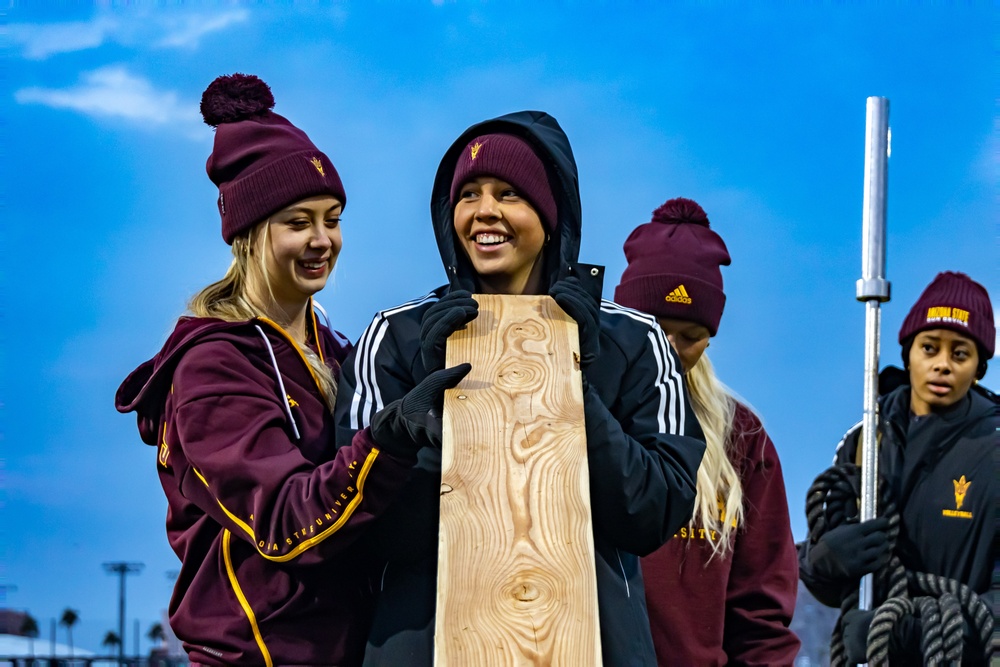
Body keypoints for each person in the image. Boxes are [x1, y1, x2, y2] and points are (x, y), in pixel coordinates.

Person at [115, 74, 464, 666]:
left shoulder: (337, 351)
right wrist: (391, 436)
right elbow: (284, 523)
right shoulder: (211, 368)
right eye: (298, 222)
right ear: (248, 233)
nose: (323, 240)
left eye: (333, 218)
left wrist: (423, 366)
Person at [336, 111, 707, 666]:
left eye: (509, 193)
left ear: (551, 213)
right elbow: (360, 531)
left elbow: (653, 512)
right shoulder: (395, 336)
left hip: (592, 648)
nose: (485, 211)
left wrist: (570, 380)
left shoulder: (634, 337)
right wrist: (438, 418)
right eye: (469, 195)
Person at [612, 196, 801, 666]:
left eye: (691, 336)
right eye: (654, 326)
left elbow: (760, 618)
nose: (670, 350)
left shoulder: (743, 439)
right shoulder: (573, 414)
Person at [798, 271, 997, 665]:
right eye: (929, 348)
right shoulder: (865, 440)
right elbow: (830, 582)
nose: (942, 365)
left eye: (960, 353)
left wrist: (906, 632)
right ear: (907, 353)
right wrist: (822, 562)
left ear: (978, 368)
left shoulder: (993, 451)